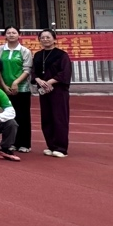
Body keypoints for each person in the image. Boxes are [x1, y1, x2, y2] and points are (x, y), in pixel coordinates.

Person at [32, 28, 72, 158]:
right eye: (42, 37)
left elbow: (65, 72)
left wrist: (50, 82)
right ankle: (51, 145)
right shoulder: (38, 55)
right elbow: (34, 72)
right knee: (46, 118)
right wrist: (39, 80)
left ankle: (61, 148)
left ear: (54, 39)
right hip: (44, 90)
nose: (45, 40)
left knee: (59, 118)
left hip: (58, 90)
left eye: (48, 37)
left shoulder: (62, 55)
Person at [0, 25, 34, 153]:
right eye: (9, 33)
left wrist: (16, 82)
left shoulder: (25, 51)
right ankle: (10, 143)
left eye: (14, 32)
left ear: (19, 35)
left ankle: (24, 144)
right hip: (4, 88)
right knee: (7, 116)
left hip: (22, 88)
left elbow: (27, 69)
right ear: (5, 35)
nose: (11, 35)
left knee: (23, 116)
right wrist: (3, 85)